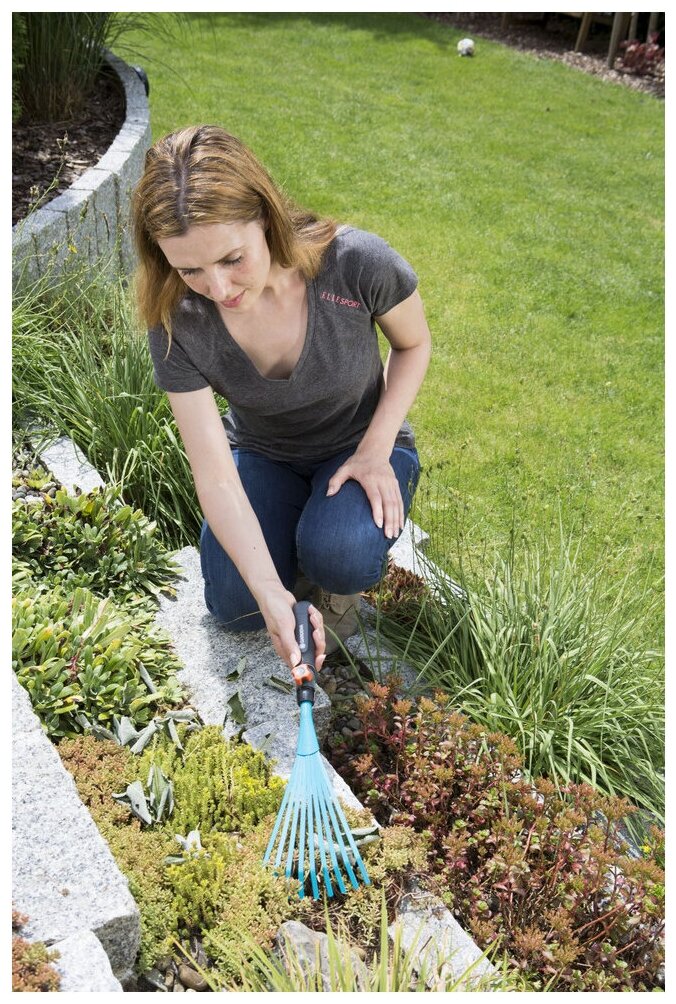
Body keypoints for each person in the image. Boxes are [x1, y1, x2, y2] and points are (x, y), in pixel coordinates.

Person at [132, 125, 431, 682]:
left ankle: (332, 556)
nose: (217, 289)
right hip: (263, 453)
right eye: (189, 269)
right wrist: (269, 593)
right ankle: (295, 547)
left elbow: (414, 344)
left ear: (265, 217)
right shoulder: (178, 320)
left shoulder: (354, 262)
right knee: (233, 605)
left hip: (359, 445)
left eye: (231, 259)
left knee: (338, 551)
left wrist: (375, 449)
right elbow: (216, 475)